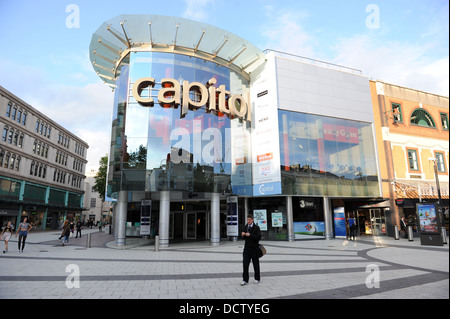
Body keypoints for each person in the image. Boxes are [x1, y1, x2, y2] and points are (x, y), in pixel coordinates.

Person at [241, 214, 261, 286]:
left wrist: (250, 235)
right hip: (246, 249)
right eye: (247, 220)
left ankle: (257, 278)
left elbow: (258, 237)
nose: (248, 221)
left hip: (254, 249)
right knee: (245, 264)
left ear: (252, 220)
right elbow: (243, 238)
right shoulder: (245, 227)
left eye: (249, 220)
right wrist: (243, 234)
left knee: (256, 264)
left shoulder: (256, 227)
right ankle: (245, 280)